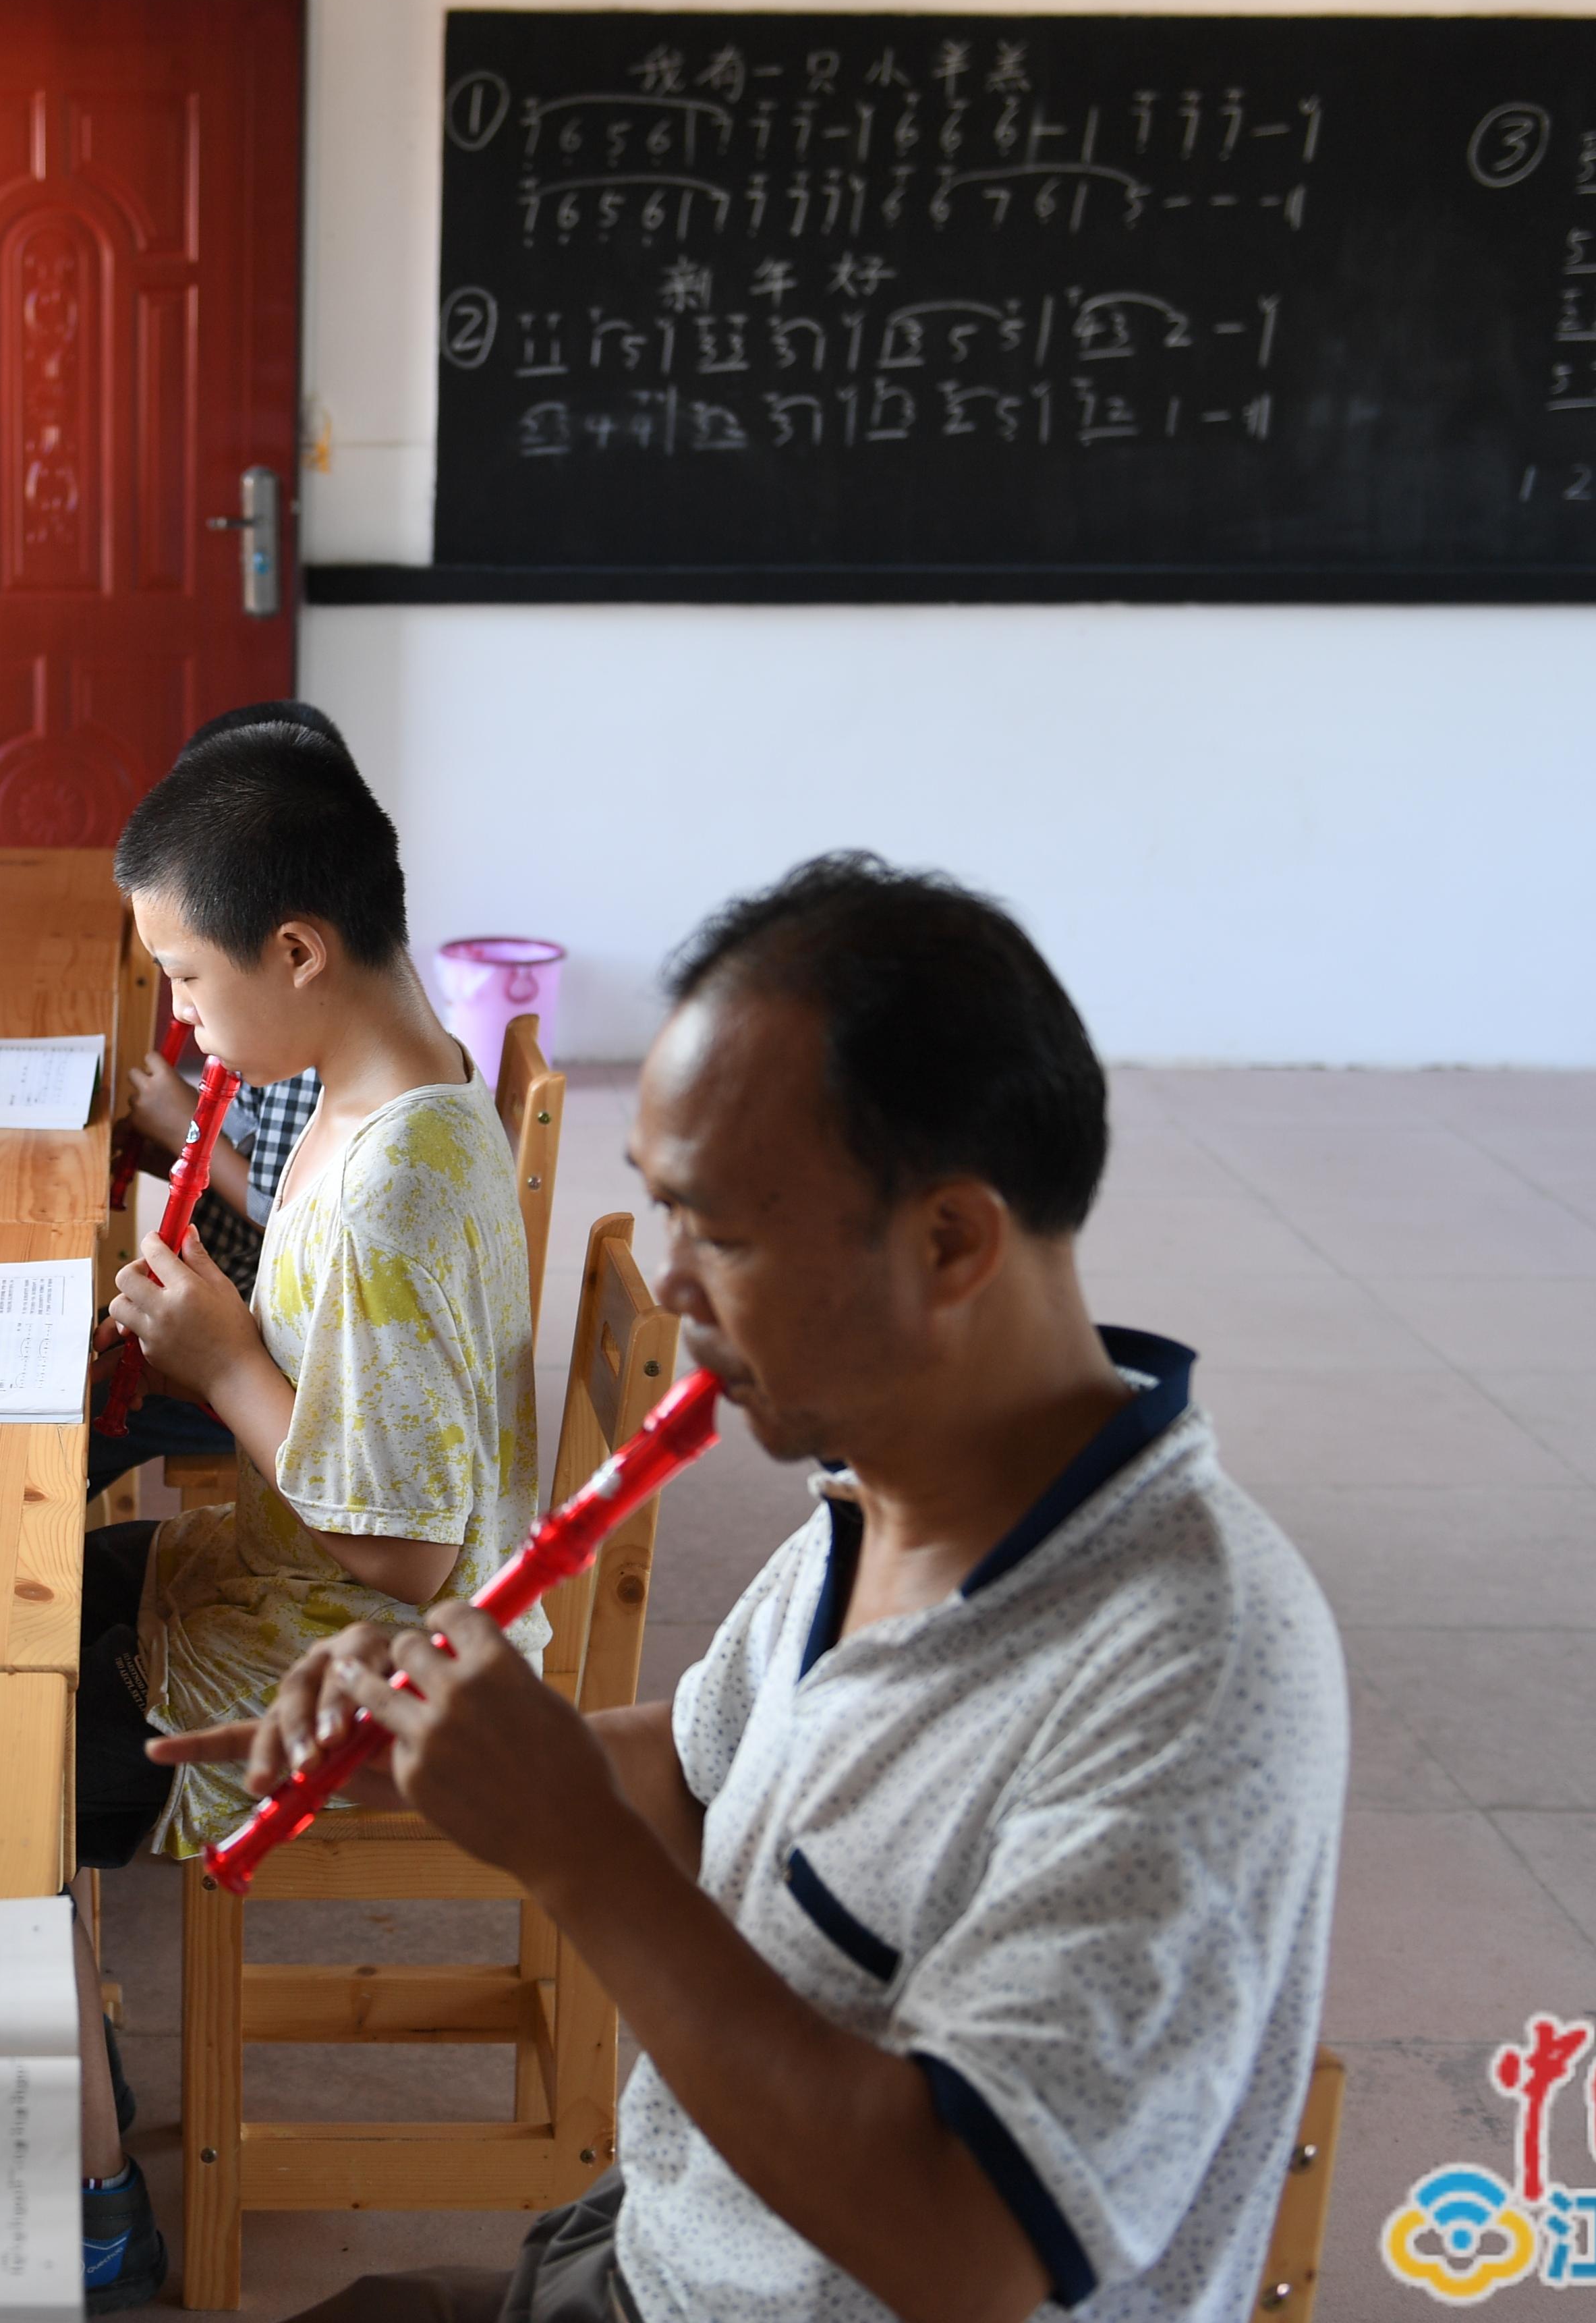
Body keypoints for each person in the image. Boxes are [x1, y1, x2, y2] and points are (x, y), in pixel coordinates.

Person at [161, 853, 1348, 2323]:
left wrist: (571, 1842)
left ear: (952, 1239)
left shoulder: (1192, 1661)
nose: (671, 1287)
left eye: (720, 1230)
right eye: (664, 1216)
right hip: (656, 2250)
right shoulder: (886, 1491)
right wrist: (430, 1754)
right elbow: (704, 1769)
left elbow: (965, 2245)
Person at [72, 721, 544, 2309]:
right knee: (29, 1614)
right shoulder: (393, 1083)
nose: (185, 1020)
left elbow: (400, 1545)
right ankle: (78, 2042)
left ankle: (94, 2208)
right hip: (284, 1583)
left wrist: (218, 1363)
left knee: (7, 1738)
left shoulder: (402, 1174)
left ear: (297, 946)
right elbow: (360, 1351)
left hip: (363, 1650)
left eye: (192, 982)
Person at [94, 699, 345, 1492]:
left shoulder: (307, 1043)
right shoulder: (295, 1012)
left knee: (62, 1427)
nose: (182, 1011)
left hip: (252, 1343)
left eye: (189, 978)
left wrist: (176, 1120)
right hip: (233, 1317)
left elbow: (280, 1203)